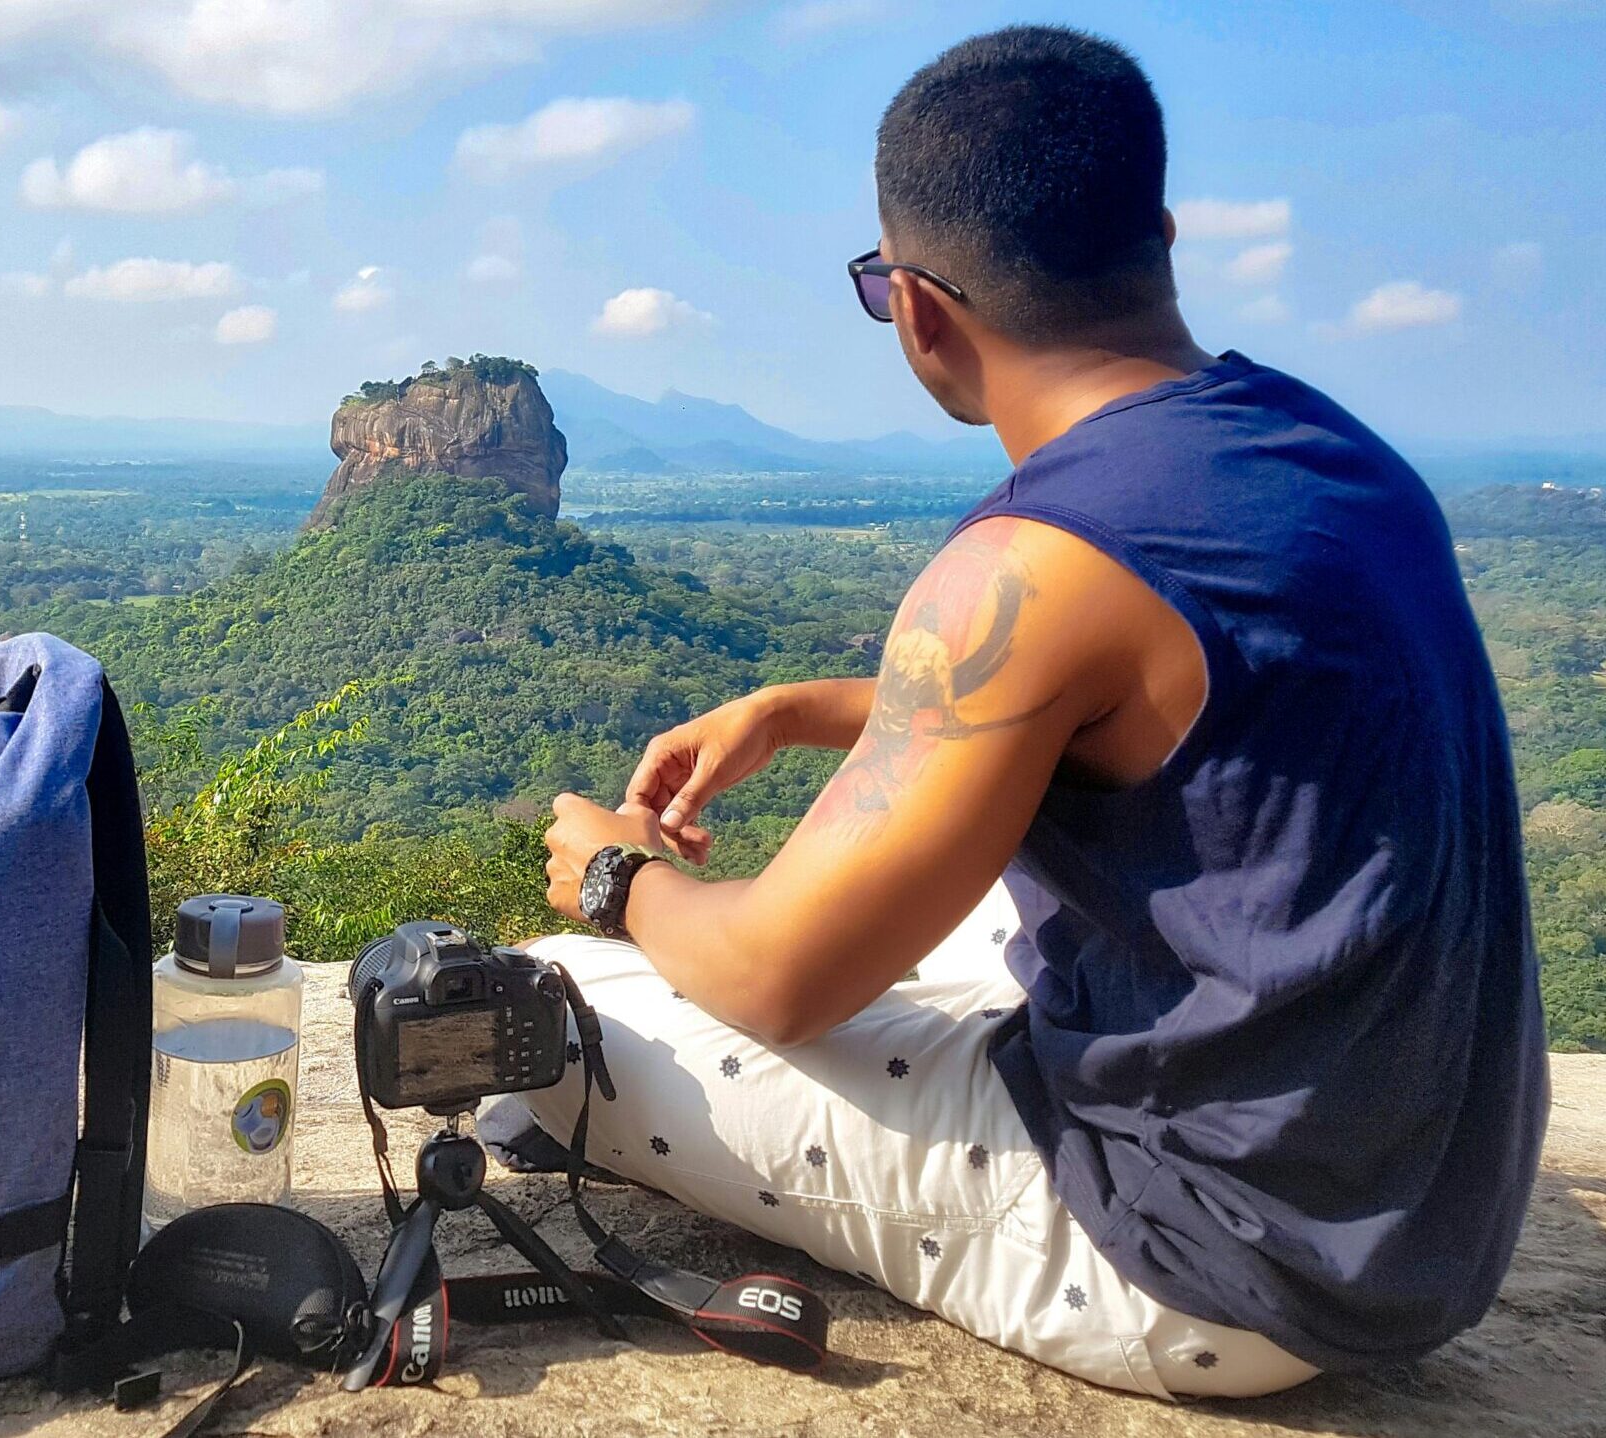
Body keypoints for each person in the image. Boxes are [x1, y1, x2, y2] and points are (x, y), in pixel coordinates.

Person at [520, 25, 1547, 1400]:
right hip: (1414, 1214)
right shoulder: (1332, 454)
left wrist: (615, 874)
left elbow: (776, 978)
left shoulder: (1029, 563)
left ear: (916, 307)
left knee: (541, 1013)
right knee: (960, 911)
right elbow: (1162, 708)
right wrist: (802, 707)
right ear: (1160, 240)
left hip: (1207, 1262)